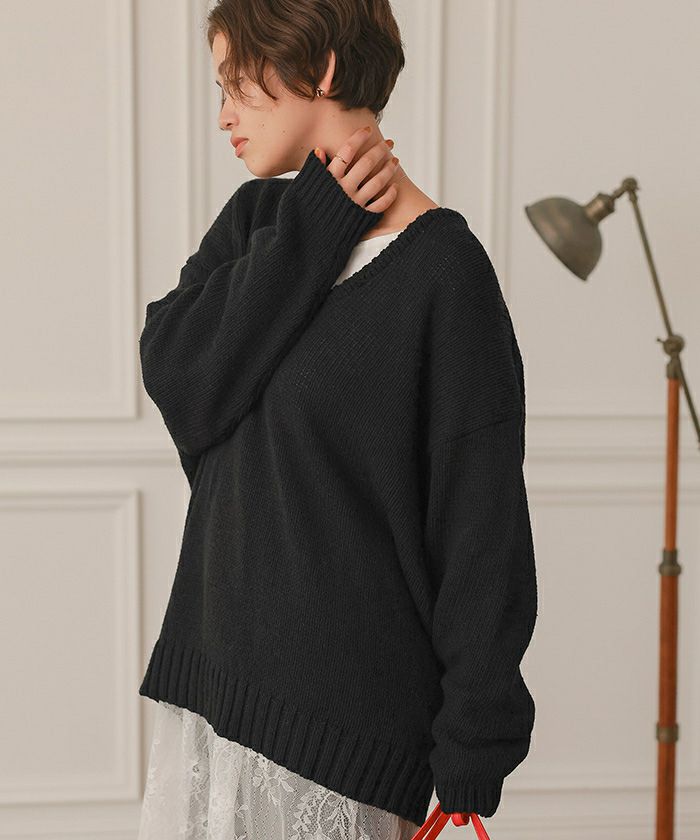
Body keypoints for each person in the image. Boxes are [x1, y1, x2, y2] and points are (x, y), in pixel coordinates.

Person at [137, 1, 537, 838]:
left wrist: (473, 749)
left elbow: (480, 529)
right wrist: (314, 228)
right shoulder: (257, 223)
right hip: (212, 700)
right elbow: (179, 379)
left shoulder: (444, 274)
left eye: (236, 85)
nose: (223, 116)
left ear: (317, 69)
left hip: (342, 735)